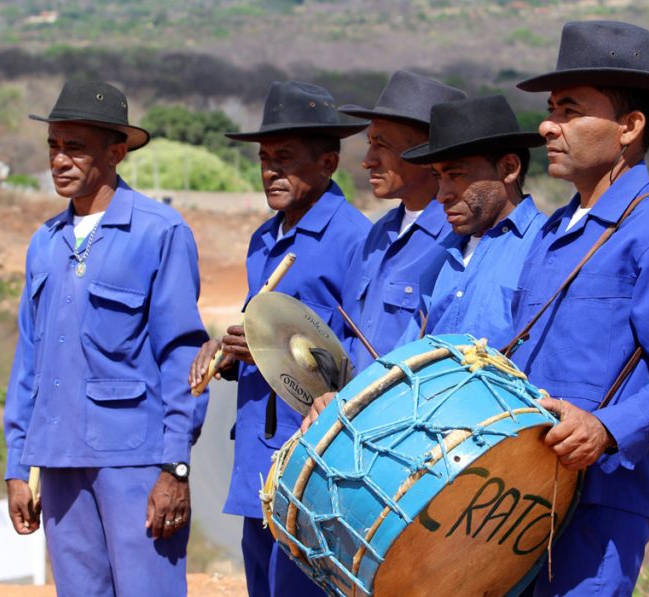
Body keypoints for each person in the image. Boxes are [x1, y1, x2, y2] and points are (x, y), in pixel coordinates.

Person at [510, 21, 649, 595]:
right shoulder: (554, 230)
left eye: (569, 110)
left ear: (629, 127)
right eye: (550, 109)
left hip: (600, 502)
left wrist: (607, 429)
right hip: (516, 495)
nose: (546, 125)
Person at [4, 80, 209, 596]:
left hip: (135, 462)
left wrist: (174, 467)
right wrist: (17, 463)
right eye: (53, 145)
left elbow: (181, 357)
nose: (60, 159)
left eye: (75, 147)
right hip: (57, 460)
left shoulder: (159, 232)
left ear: (116, 152)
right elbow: (29, 359)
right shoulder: (44, 244)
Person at [187, 80, 370, 597]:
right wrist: (225, 353)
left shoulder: (354, 240)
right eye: (265, 158)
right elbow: (257, 328)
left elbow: (357, 354)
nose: (270, 170)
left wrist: (275, 349)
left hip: (311, 457)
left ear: (328, 163)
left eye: (284, 158)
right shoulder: (263, 239)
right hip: (255, 453)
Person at [336, 70, 467, 373]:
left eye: (382, 145)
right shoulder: (378, 234)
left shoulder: (458, 238)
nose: (368, 160)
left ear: (426, 153)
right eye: (370, 143)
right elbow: (350, 337)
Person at [401, 94, 546, 347]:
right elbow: (406, 354)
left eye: (456, 175)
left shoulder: (546, 248)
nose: (441, 195)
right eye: (438, 177)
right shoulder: (441, 257)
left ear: (509, 168)